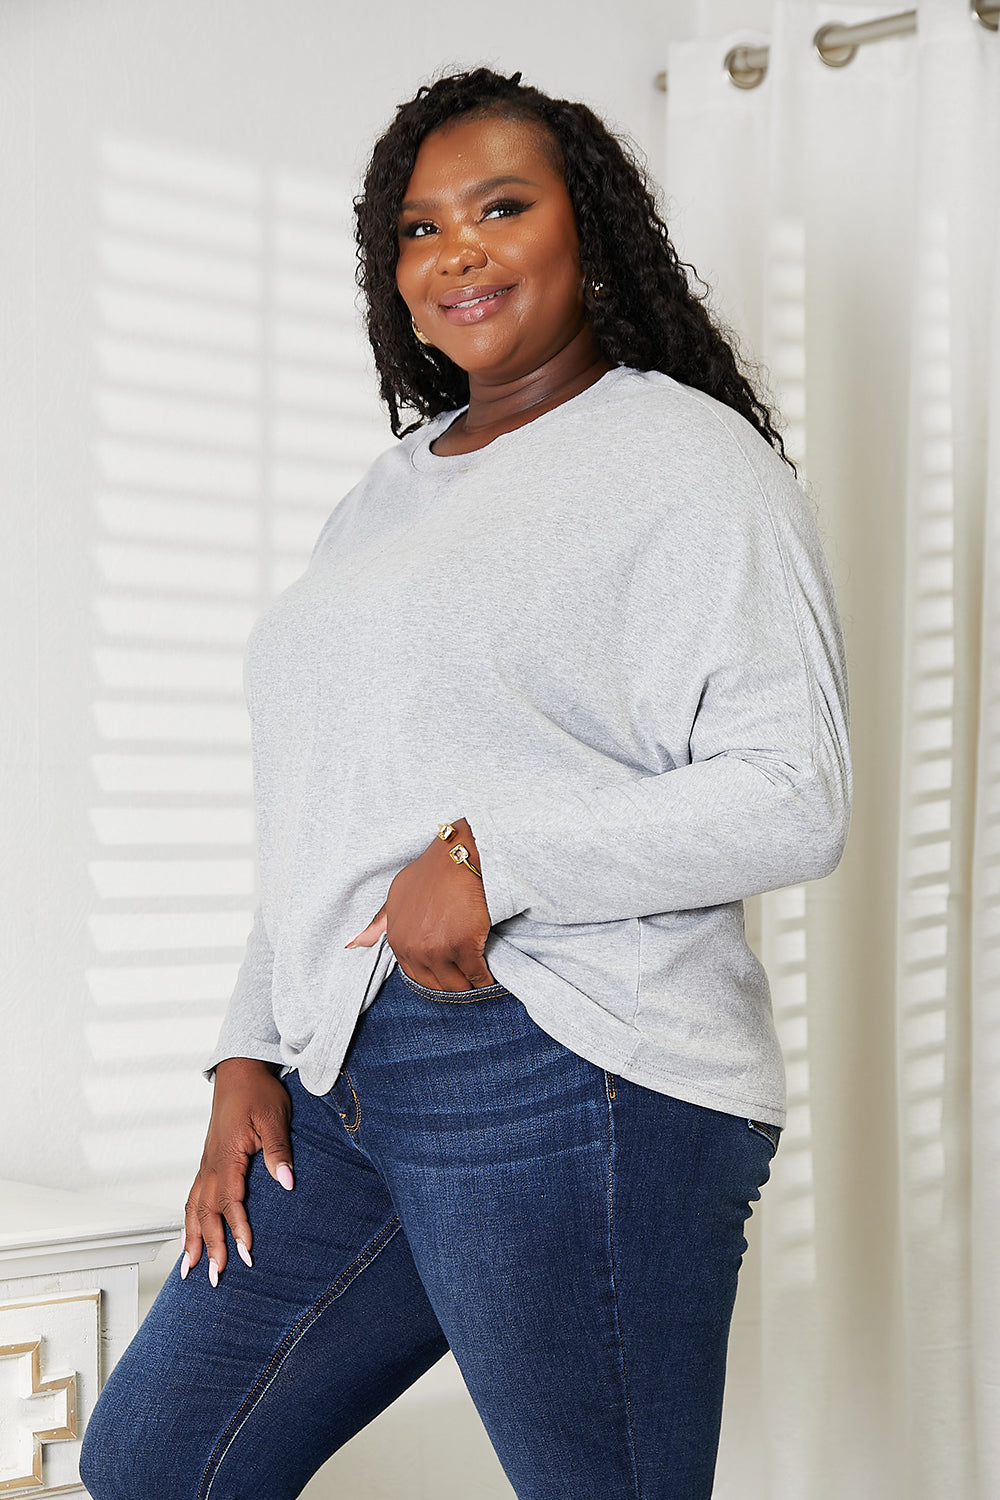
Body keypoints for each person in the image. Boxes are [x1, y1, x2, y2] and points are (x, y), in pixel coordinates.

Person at [80, 66, 852, 1500]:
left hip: (572, 1060)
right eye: (423, 229)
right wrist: (250, 1044)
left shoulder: (690, 461)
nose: (461, 251)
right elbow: (333, 803)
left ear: (591, 232)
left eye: (503, 206)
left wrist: (498, 854)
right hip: (343, 1074)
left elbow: (793, 791)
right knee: (157, 1460)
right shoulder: (387, 491)